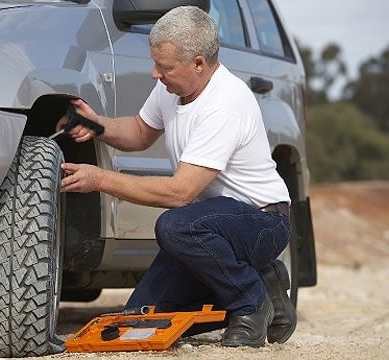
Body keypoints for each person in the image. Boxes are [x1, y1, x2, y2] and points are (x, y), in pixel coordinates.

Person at [57, 6, 296, 347]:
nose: (155, 74)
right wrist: (96, 125)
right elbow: (140, 132)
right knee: (140, 319)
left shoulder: (224, 104)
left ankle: (250, 301)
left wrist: (100, 180)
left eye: (164, 67)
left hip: (261, 222)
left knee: (174, 224)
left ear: (199, 63)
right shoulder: (174, 87)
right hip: (208, 227)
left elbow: (180, 193)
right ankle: (263, 281)